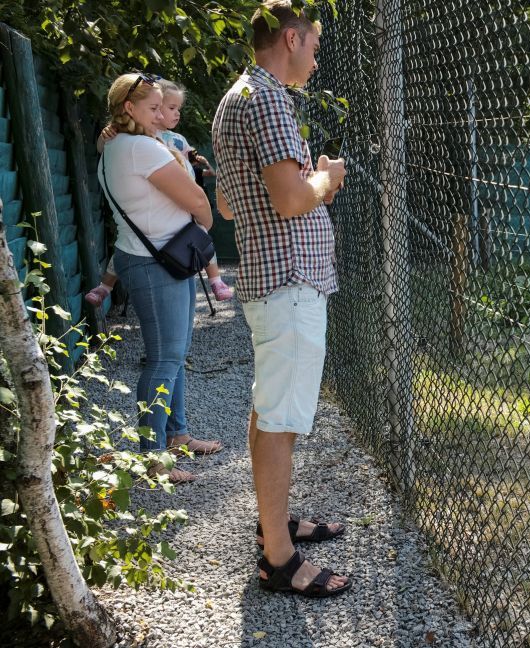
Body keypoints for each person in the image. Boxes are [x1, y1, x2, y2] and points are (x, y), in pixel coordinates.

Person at [212, 0, 349, 597]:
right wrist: (327, 179)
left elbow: (228, 202)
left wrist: (302, 183)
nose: (316, 60)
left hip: (275, 281)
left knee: (270, 411)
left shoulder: (234, 99)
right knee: (279, 418)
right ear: (290, 39)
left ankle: (275, 524)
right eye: (314, 47)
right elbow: (292, 200)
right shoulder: (265, 98)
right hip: (289, 283)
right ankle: (278, 557)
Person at [98, 73, 224, 483]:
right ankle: (151, 458)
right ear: (128, 108)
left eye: (160, 108)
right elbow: (196, 199)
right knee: (164, 358)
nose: (158, 115)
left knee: (175, 352)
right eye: (152, 108)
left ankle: (177, 435)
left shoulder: (116, 145)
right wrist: (204, 225)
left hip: (162, 260)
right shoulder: (139, 148)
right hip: (157, 263)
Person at [86, 79, 232, 306]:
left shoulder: (171, 140)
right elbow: (102, 147)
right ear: (131, 108)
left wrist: (204, 168)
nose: (169, 115)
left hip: (173, 218)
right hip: (157, 247)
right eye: (160, 108)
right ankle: (105, 286)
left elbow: (193, 161)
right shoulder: (138, 144)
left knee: (201, 241)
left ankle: (215, 280)